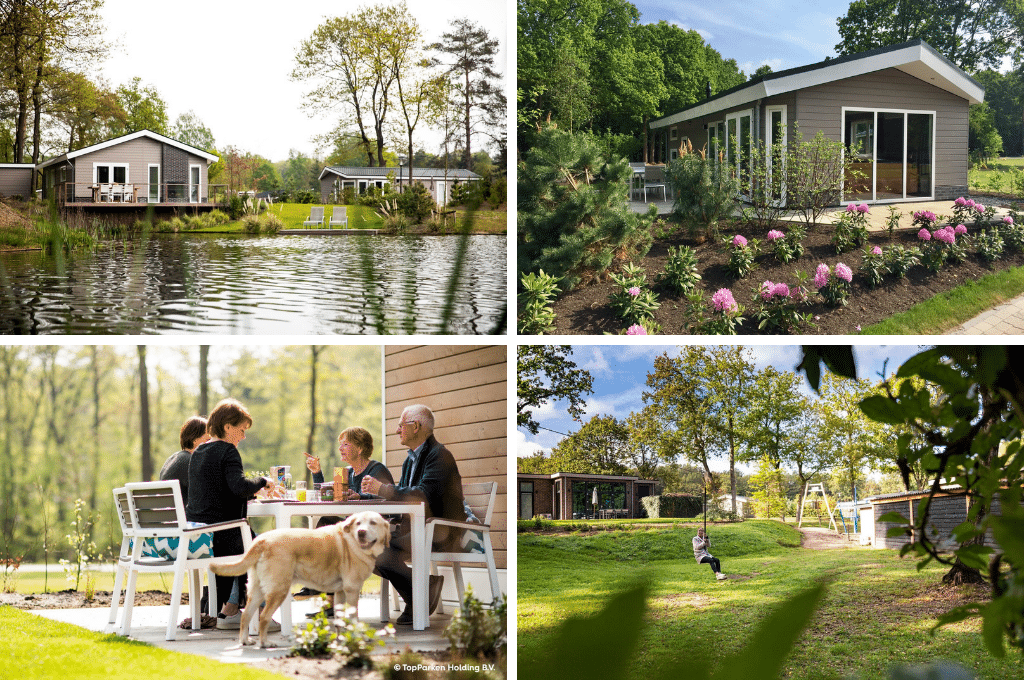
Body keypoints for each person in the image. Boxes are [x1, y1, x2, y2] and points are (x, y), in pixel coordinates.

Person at [361, 404, 466, 625]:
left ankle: (418, 597)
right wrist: (363, 497)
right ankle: (423, 590)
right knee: (365, 546)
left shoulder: (440, 456)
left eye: (401, 425)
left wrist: (382, 489)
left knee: (379, 549)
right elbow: (402, 497)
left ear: (416, 426)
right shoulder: (410, 459)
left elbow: (421, 495)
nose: (397, 430)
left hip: (442, 532)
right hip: (417, 530)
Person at [186, 398, 278, 629]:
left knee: (250, 538)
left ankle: (231, 610)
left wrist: (250, 494)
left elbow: (218, 491)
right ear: (227, 427)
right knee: (267, 548)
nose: (244, 437)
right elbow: (238, 486)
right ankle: (261, 614)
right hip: (224, 535)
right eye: (242, 430)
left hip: (200, 535)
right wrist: (263, 481)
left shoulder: (199, 452)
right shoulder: (228, 451)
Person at [295, 427, 396, 610]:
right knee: (327, 522)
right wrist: (317, 472)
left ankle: (323, 594)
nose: (341, 448)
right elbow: (326, 495)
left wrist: (361, 497)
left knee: (333, 539)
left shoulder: (376, 469)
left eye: (346, 444)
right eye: (340, 444)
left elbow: (388, 499)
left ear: (360, 449)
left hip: (375, 531)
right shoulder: (346, 472)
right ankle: (327, 597)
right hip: (354, 533)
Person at [158, 416, 210, 507]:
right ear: (195, 439)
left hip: (169, 518)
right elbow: (208, 494)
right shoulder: (190, 461)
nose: (211, 444)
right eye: (207, 440)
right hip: (184, 520)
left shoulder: (173, 459)